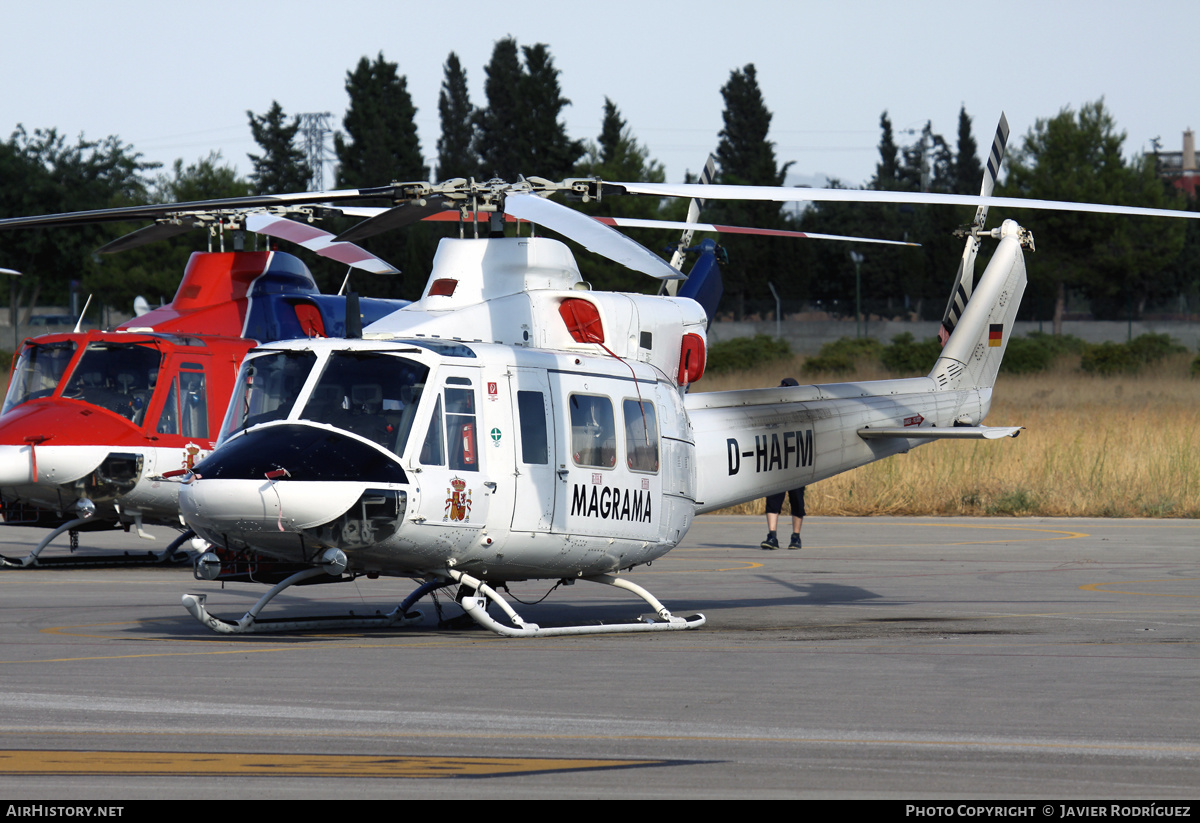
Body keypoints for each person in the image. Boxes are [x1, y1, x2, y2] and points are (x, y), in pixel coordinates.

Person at [761, 377, 805, 551]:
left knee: (797, 500)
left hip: (797, 463)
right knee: (773, 499)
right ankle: (772, 536)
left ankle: (796, 537)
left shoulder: (802, 412)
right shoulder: (774, 411)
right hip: (778, 460)